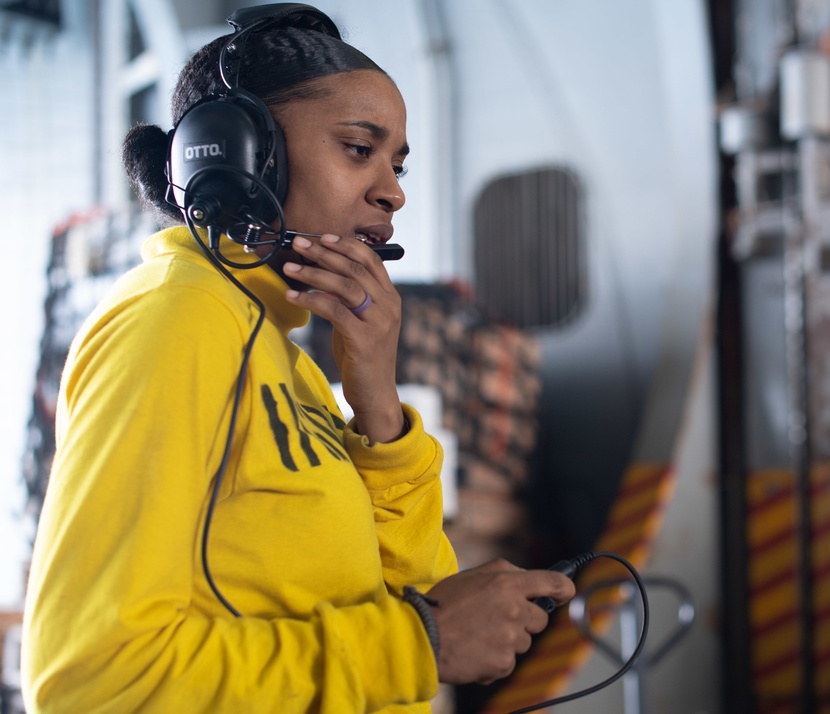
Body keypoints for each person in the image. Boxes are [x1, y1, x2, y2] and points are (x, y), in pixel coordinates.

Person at [20, 5, 574, 713]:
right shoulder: (172, 321)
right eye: (357, 148)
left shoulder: (289, 362)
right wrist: (418, 643)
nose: (393, 190)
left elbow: (416, 595)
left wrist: (377, 400)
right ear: (241, 156)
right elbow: (91, 682)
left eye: (398, 164)